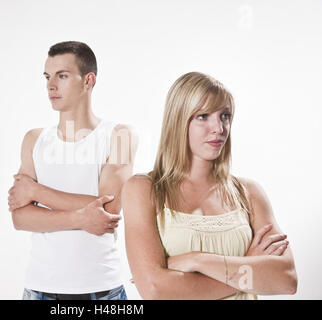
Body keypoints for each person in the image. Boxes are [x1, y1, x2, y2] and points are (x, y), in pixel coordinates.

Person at [121, 72, 297, 299]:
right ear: (178, 120)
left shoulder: (248, 193)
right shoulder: (143, 189)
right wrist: (248, 267)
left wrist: (197, 260)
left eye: (225, 116)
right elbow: (155, 290)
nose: (219, 128)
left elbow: (286, 279)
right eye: (203, 116)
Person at [8, 41, 138, 300]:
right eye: (47, 77)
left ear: (88, 81)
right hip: (39, 289)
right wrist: (80, 218)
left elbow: (108, 211)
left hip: (101, 290)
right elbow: (20, 218)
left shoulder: (119, 135)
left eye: (62, 76)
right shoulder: (34, 140)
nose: (50, 85)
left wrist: (35, 192)